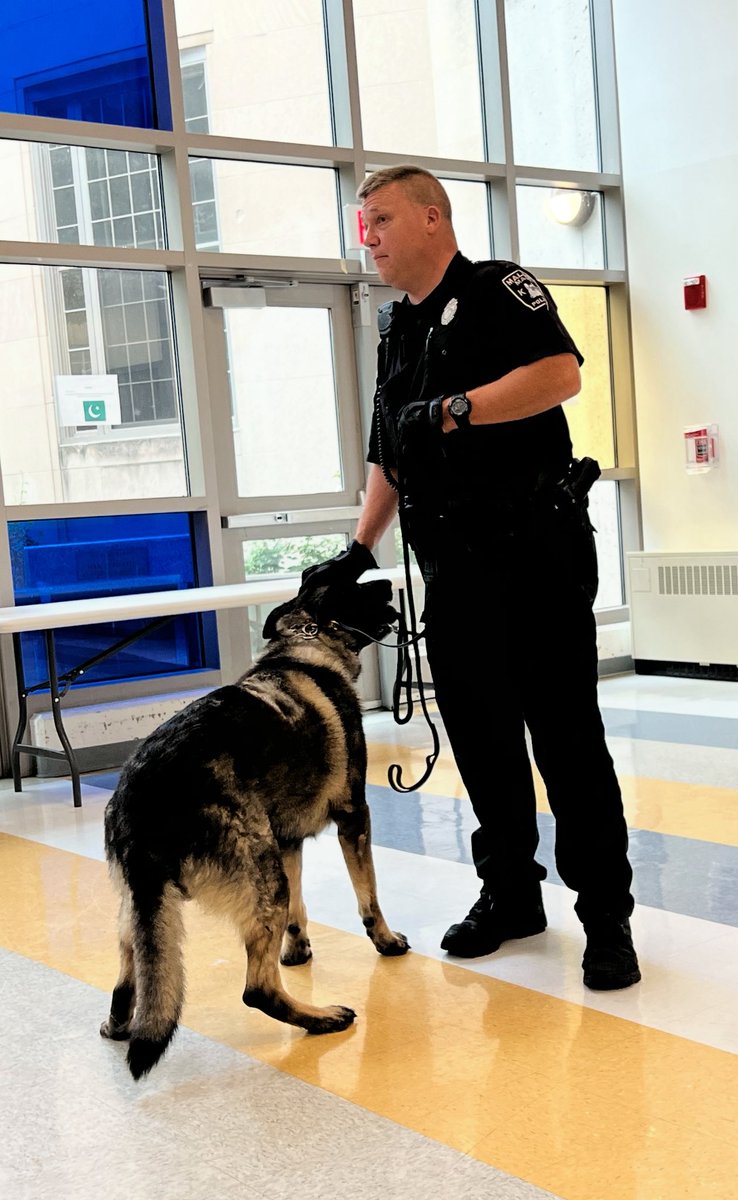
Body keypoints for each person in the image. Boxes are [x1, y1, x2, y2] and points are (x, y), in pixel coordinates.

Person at [307, 165, 639, 990]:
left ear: (432, 218)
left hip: (537, 557)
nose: (369, 239)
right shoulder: (396, 329)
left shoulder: (498, 289)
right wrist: (360, 548)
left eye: (382, 220)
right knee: (483, 740)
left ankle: (606, 916)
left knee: (566, 739)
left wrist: (457, 409)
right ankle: (511, 894)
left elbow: (560, 375)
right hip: (453, 570)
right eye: (362, 225)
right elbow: (390, 450)